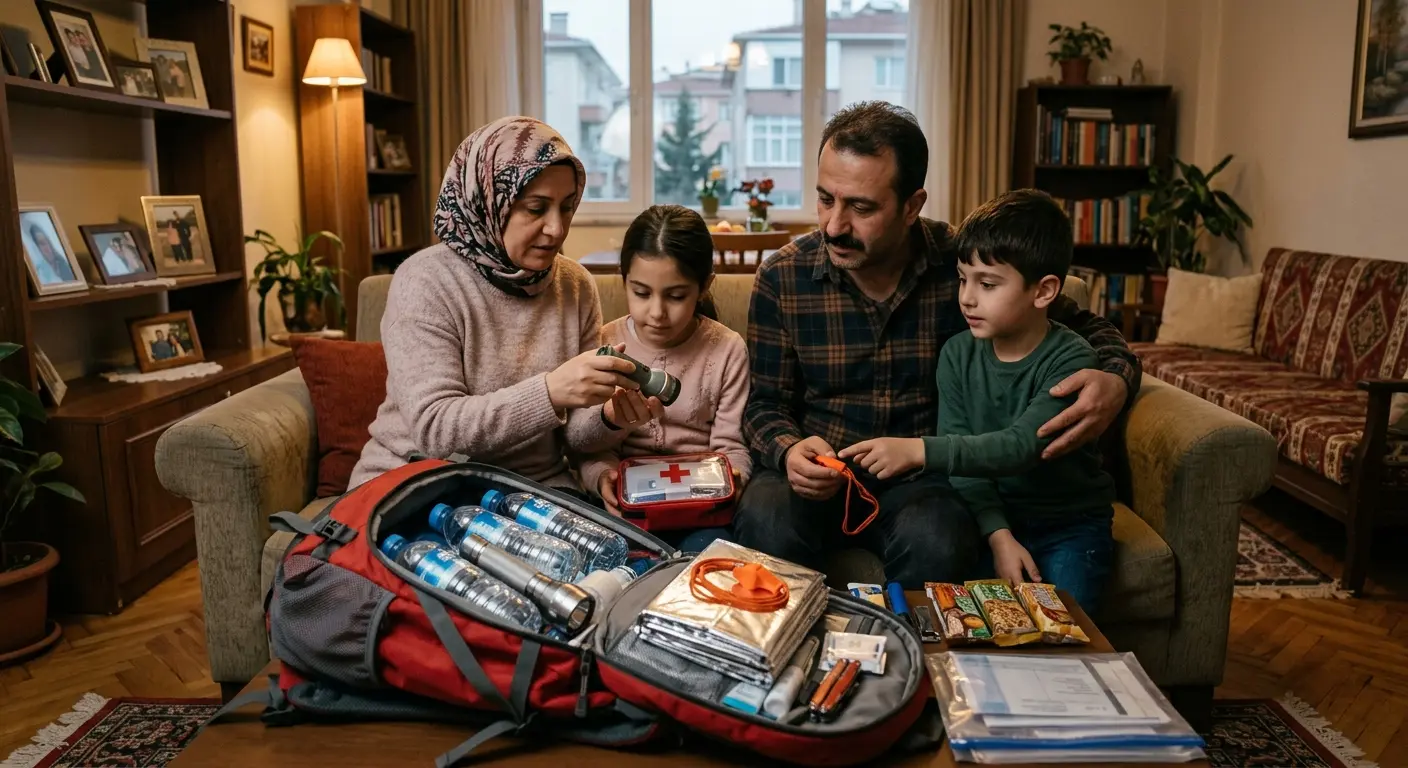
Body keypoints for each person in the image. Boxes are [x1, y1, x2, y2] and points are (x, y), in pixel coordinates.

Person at [736, 102, 1139, 588]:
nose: (834, 226)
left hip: (920, 481)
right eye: (826, 199)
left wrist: (1116, 377)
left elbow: (1080, 325)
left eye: (861, 207)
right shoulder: (784, 275)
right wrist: (790, 449)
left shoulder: (965, 264)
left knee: (940, 538)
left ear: (912, 205)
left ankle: (910, 660)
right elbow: (764, 404)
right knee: (765, 519)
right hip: (817, 476)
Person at [839, 190, 1117, 612]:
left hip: (1070, 526)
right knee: (978, 632)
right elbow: (966, 468)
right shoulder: (957, 354)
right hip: (993, 520)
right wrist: (998, 534)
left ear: (1043, 292)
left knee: (1064, 639)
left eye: (987, 284)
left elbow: (1022, 446)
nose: (967, 297)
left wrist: (917, 451)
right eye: (962, 278)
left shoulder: (1072, 359)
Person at [349, 116, 650, 492]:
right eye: (537, 208)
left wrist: (608, 418)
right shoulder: (425, 280)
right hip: (419, 482)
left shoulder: (576, 285)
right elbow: (436, 430)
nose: (557, 229)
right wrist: (552, 389)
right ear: (488, 201)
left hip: (535, 490)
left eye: (567, 207)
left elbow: (575, 439)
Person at [576, 204, 751, 554]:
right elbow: (587, 443)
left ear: (704, 287)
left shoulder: (727, 350)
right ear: (623, 280)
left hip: (702, 511)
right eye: (641, 293)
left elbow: (732, 447)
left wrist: (732, 477)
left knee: (708, 565)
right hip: (627, 509)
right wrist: (601, 477)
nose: (656, 312)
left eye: (675, 296)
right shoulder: (604, 345)